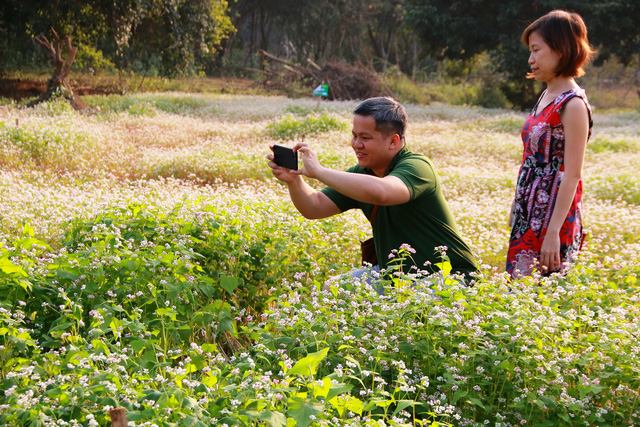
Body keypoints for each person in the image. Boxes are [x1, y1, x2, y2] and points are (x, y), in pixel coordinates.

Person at [267, 97, 478, 288]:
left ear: (393, 141)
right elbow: (314, 207)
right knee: (333, 290)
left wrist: (320, 172)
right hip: (396, 277)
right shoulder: (362, 174)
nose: (356, 145)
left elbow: (383, 192)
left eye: (365, 138)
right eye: (354, 136)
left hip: (449, 276)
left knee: (412, 311)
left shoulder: (417, 166)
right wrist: (294, 180)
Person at [507, 10, 595, 278]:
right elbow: (530, 159)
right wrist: (516, 204)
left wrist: (553, 232)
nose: (531, 59)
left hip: (553, 217)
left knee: (547, 298)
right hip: (528, 211)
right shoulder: (546, 94)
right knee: (518, 295)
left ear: (561, 49)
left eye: (536, 50)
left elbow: (572, 173)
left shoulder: (573, 103)